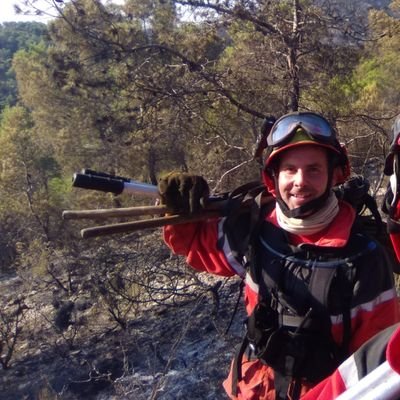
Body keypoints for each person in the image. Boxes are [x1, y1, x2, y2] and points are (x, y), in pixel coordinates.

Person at [158, 111, 400, 400]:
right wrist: (176, 209)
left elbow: (377, 366)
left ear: (334, 174)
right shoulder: (256, 232)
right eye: (290, 169)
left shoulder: (364, 259)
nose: (300, 181)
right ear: (272, 178)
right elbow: (195, 246)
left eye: (313, 169)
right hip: (252, 390)